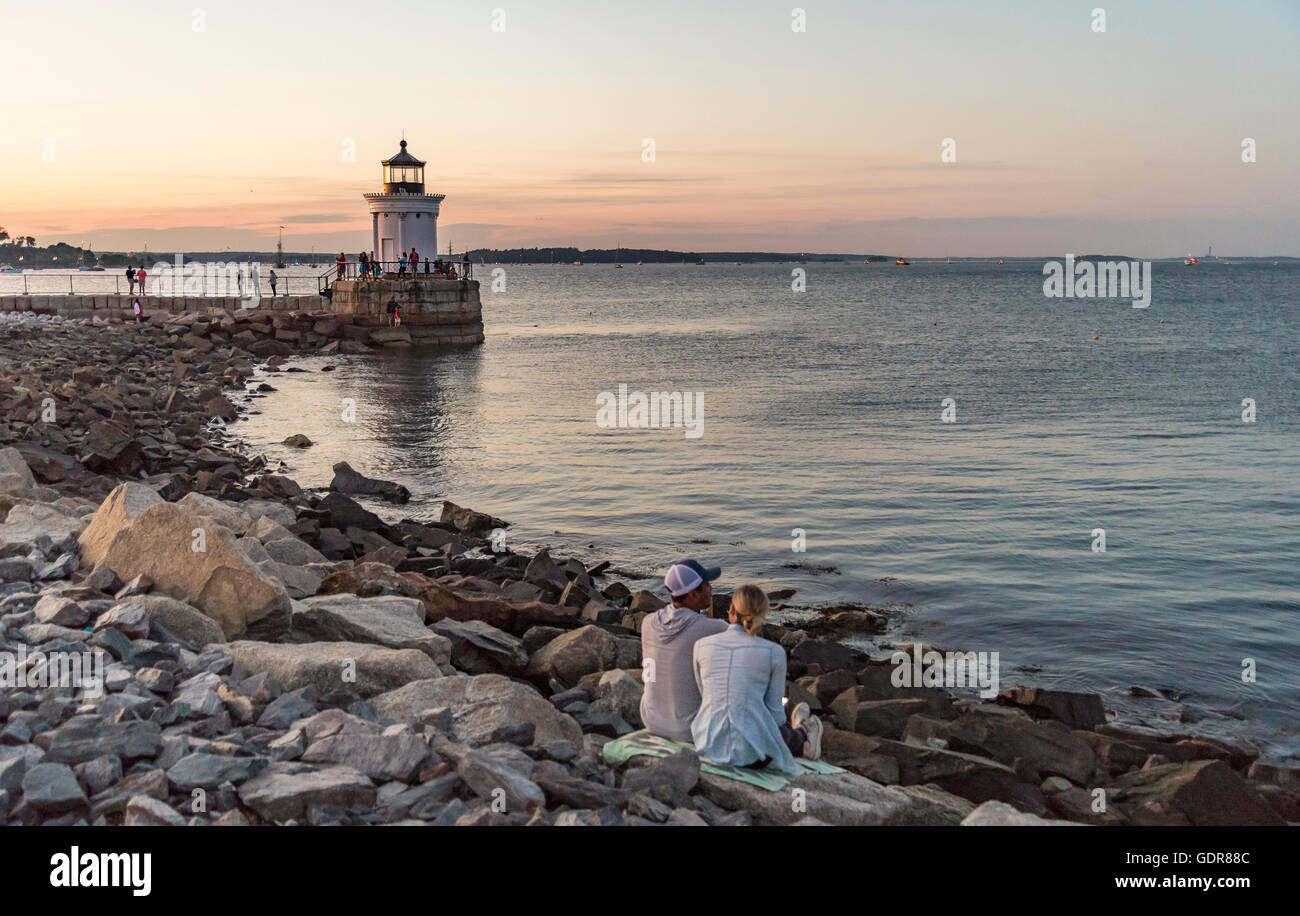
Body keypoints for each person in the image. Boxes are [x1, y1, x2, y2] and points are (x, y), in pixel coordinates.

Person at [691, 585, 823, 772]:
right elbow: (775, 714)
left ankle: (798, 734)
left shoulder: (701, 645)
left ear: (731, 610)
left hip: (706, 745)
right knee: (762, 719)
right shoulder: (774, 652)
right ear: (763, 615)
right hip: (751, 757)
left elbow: (704, 696)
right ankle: (803, 739)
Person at [639, 559, 728, 742]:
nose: (711, 590)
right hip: (691, 730)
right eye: (707, 585)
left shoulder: (647, 622)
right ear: (693, 593)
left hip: (651, 720)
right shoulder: (714, 628)